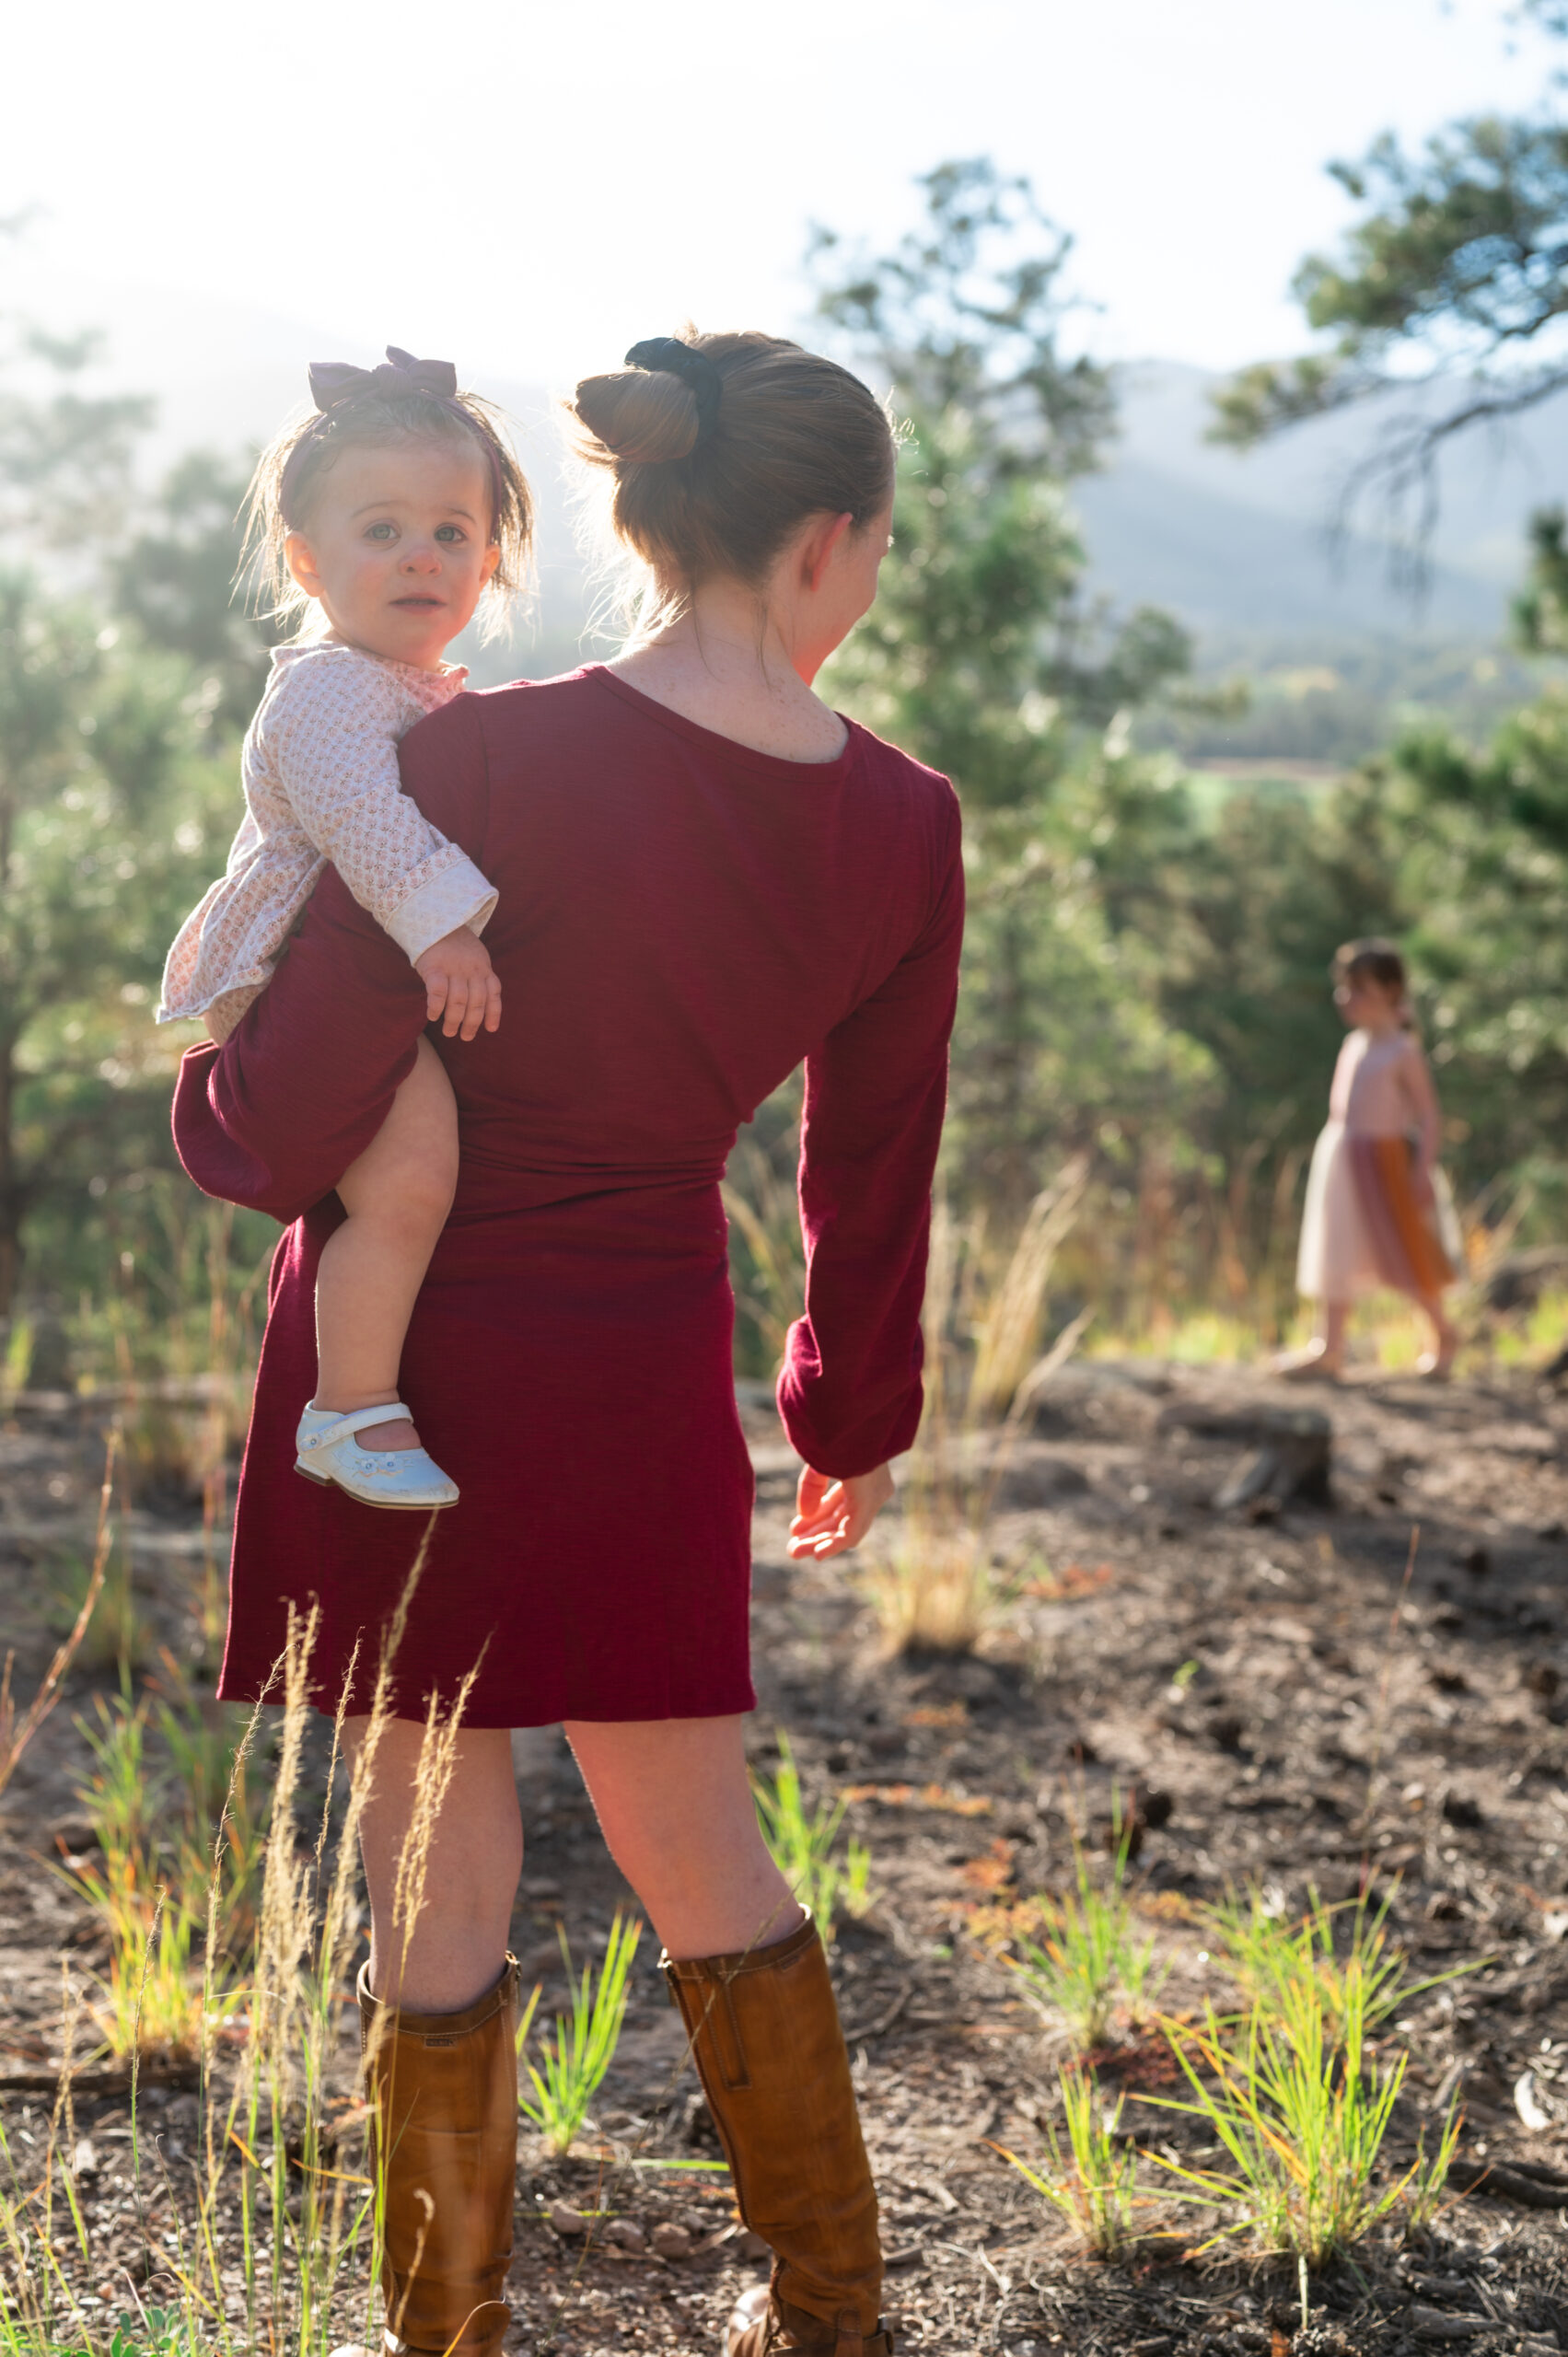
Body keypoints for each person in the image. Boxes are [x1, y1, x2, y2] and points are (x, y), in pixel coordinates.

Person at [171, 329, 964, 2357]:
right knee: (702, 1854)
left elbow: (273, 1123)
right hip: (626, 1368)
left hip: (397, 1376)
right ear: (830, 543)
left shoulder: (463, 758)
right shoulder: (897, 824)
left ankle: (450, 2334)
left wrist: (209, 1091)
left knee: (432, 1887)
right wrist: (841, 1418)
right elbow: (865, 1178)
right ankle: (831, 2314)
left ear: (626, 518)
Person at [159, 347, 531, 1512]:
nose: (423, 553)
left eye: (453, 531)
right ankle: (347, 1409)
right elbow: (362, 821)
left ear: (491, 558)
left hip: (350, 972)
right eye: (382, 530)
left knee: (421, 1171)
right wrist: (442, 937)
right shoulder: (325, 688)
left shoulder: (415, 686)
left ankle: (364, 1396)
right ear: (306, 562)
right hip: (287, 979)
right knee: (410, 1177)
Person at [1279, 937, 1460, 1380]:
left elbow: (1430, 1118)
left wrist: (1421, 1173)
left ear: (1391, 991)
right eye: (1345, 987)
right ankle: (1330, 1348)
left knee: (1405, 1249)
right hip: (1344, 1158)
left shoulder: (1402, 1051)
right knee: (1336, 1250)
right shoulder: (1354, 1044)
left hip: (1387, 1162)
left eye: (1360, 988)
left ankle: (1444, 1334)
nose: (1347, 998)